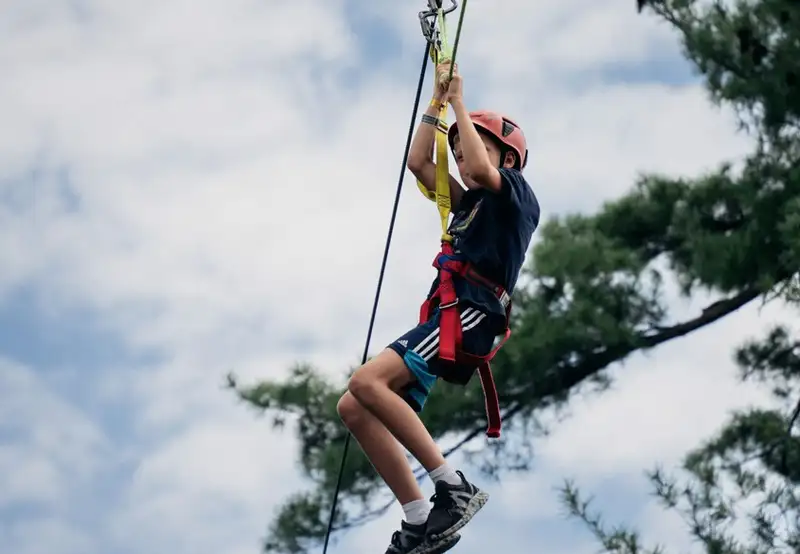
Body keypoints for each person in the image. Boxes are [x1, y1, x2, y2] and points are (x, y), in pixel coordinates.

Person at [335, 61, 541, 554]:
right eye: (461, 151)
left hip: (474, 311)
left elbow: (481, 169)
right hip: (448, 316)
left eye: (477, 148)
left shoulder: (516, 195)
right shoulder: (467, 203)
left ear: (507, 159)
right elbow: (418, 162)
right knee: (354, 406)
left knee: (366, 382)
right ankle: (418, 516)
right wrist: (437, 102)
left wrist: (460, 103)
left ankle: (453, 486)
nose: (464, 161)